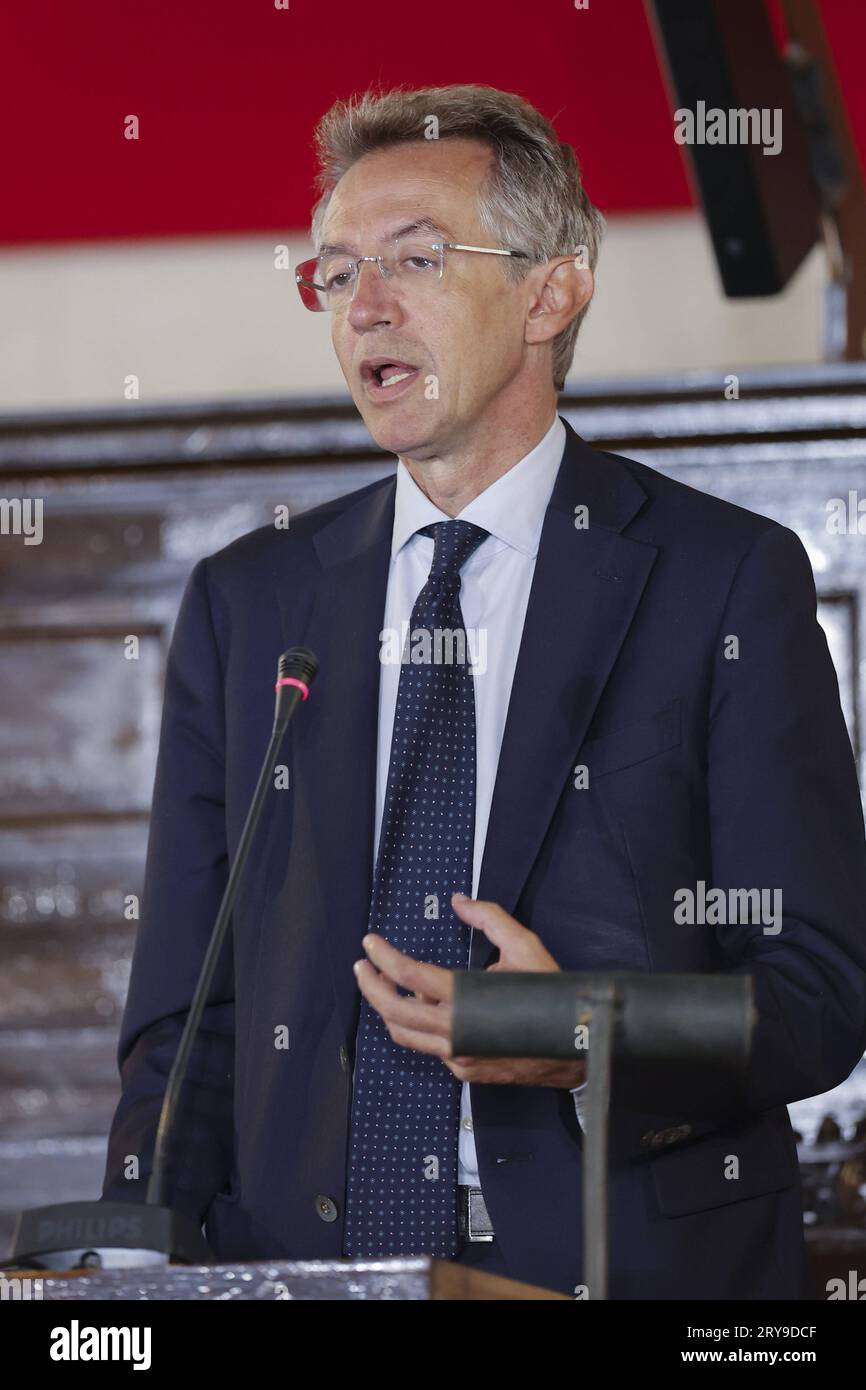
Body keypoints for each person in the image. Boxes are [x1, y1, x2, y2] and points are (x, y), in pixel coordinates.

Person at [102, 83, 866, 1299]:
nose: (366, 305)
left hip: (620, 1272)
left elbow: (817, 996)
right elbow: (186, 1021)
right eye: (336, 271)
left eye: (412, 258)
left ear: (549, 290)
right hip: (307, 1271)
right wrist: (138, 1271)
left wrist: (573, 1034)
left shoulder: (721, 582)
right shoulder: (250, 606)